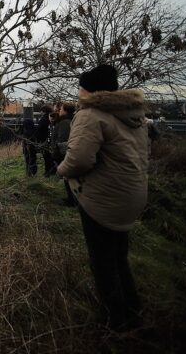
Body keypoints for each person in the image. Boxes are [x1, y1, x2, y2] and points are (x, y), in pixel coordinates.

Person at [57, 64, 149, 330]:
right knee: (119, 256)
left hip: (103, 199)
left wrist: (61, 169)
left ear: (90, 91)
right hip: (130, 195)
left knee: (102, 262)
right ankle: (133, 312)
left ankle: (116, 323)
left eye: (81, 87)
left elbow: (79, 160)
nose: (78, 92)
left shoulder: (91, 115)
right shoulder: (134, 115)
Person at [53, 102, 76, 205]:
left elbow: (62, 139)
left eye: (61, 109)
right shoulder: (73, 120)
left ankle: (71, 200)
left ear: (65, 110)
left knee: (68, 177)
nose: (60, 111)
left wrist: (57, 151)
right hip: (69, 151)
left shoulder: (65, 122)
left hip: (64, 152)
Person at [36, 105, 54, 176]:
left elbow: (40, 129)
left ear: (43, 111)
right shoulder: (50, 117)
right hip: (48, 139)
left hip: (44, 140)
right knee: (49, 156)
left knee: (46, 156)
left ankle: (48, 171)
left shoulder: (44, 119)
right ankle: (50, 170)